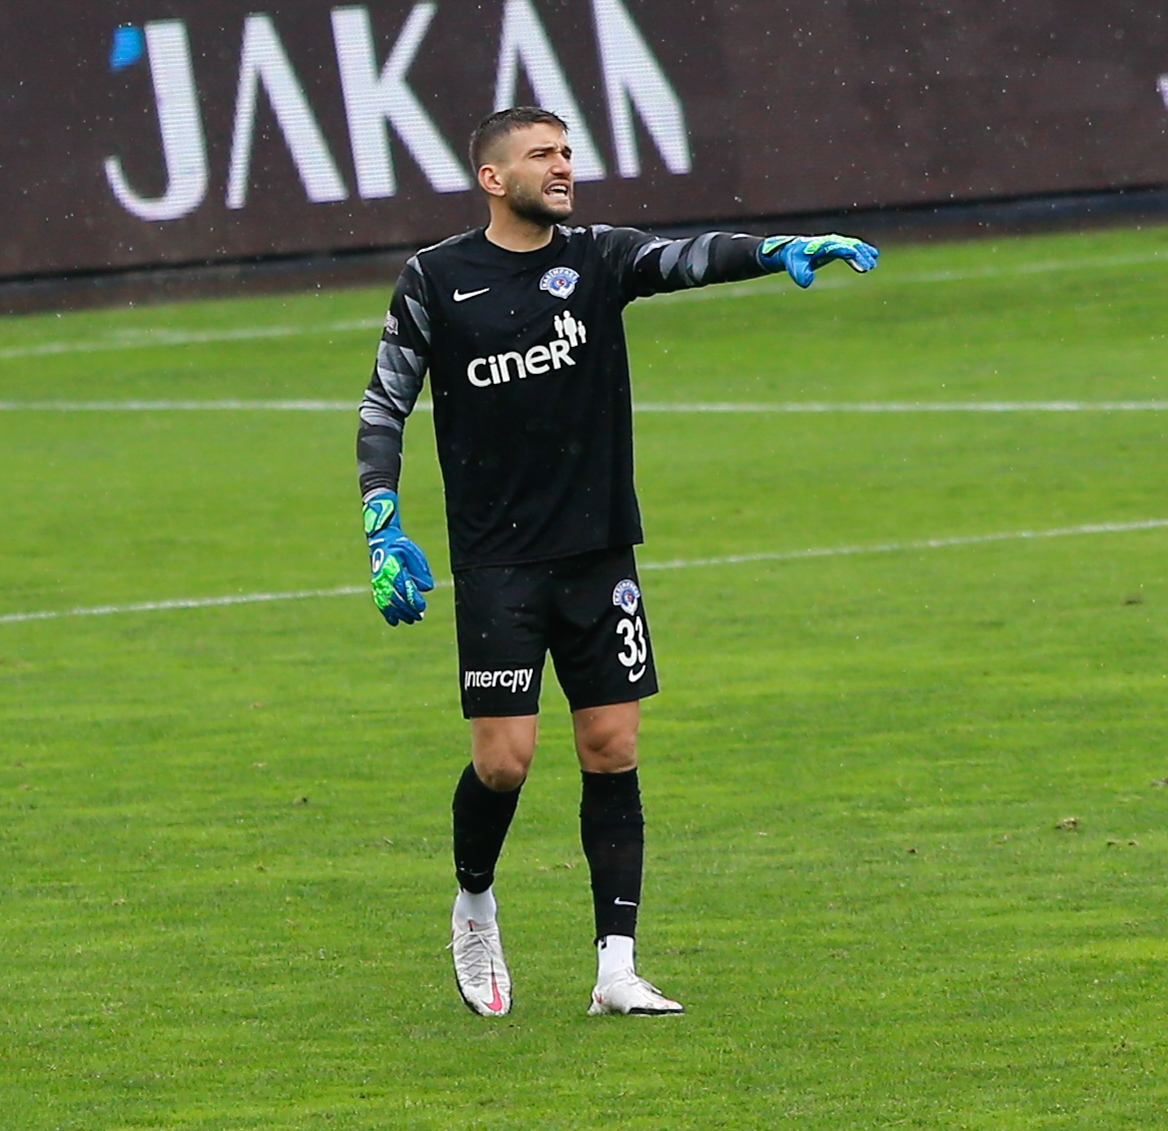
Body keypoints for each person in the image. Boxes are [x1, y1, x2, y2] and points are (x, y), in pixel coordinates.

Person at [356, 106, 877, 1018]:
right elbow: (383, 404)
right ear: (492, 178)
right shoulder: (436, 278)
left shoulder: (598, 257)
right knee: (504, 764)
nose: (562, 166)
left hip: (599, 551)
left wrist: (776, 250)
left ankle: (617, 968)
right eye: (541, 155)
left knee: (612, 747)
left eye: (566, 151)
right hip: (498, 563)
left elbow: (687, 257)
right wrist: (381, 518)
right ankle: (474, 902)